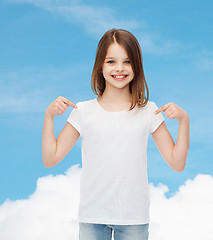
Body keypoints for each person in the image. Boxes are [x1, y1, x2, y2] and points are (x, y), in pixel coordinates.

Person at [42, 28, 190, 240]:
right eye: (111, 61)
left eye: (127, 62)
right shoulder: (83, 111)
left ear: (136, 66)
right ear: (100, 66)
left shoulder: (149, 111)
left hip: (133, 218)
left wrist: (184, 121)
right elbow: (50, 158)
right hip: (92, 216)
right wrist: (49, 117)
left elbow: (177, 163)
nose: (119, 68)